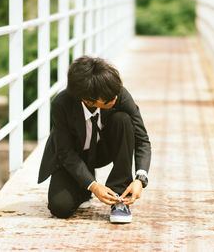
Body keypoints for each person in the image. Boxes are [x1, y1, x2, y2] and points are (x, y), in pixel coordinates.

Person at [37, 56, 151, 224]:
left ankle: (119, 197)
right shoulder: (61, 104)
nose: (115, 98)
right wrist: (93, 185)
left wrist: (140, 178)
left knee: (123, 120)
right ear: (88, 100)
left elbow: (142, 138)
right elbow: (65, 152)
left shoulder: (117, 94)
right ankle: (83, 189)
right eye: (109, 99)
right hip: (72, 156)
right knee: (60, 207)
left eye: (116, 94)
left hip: (102, 150)